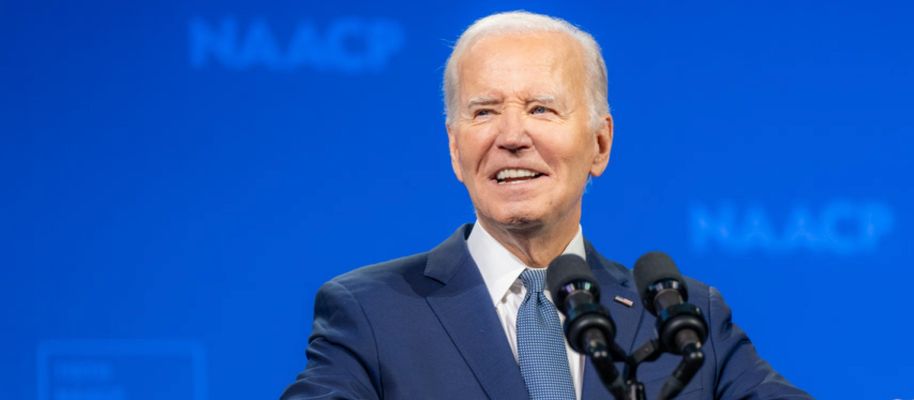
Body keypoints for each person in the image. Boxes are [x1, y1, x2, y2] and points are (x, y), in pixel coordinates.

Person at [282, 11, 813, 400]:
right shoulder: (371, 311)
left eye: (541, 108)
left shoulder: (683, 321)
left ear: (600, 145)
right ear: (455, 149)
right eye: (484, 111)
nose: (512, 136)